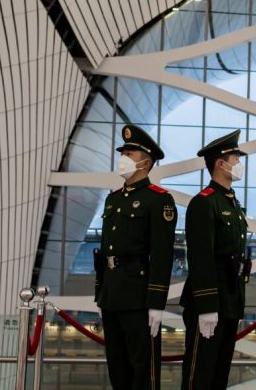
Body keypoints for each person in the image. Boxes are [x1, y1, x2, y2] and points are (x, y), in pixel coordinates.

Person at [94, 124, 177, 390]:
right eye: (124, 152)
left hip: (139, 295)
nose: (124, 158)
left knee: (143, 369)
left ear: (146, 162)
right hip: (112, 294)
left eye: (129, 153)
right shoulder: (113, 199)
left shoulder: (159, 200)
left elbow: (163, 255)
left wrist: (156, 302)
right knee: (117, 366)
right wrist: (102, 291)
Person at [180, 129, 251, 390]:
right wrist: (208, 306)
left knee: (220, 374)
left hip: (230, 299)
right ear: (221, 164)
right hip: (209, 303)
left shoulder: (232, 203)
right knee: (200, 374)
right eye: (235, 158)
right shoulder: (204, 203)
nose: (239, 164)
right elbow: (200, 258)